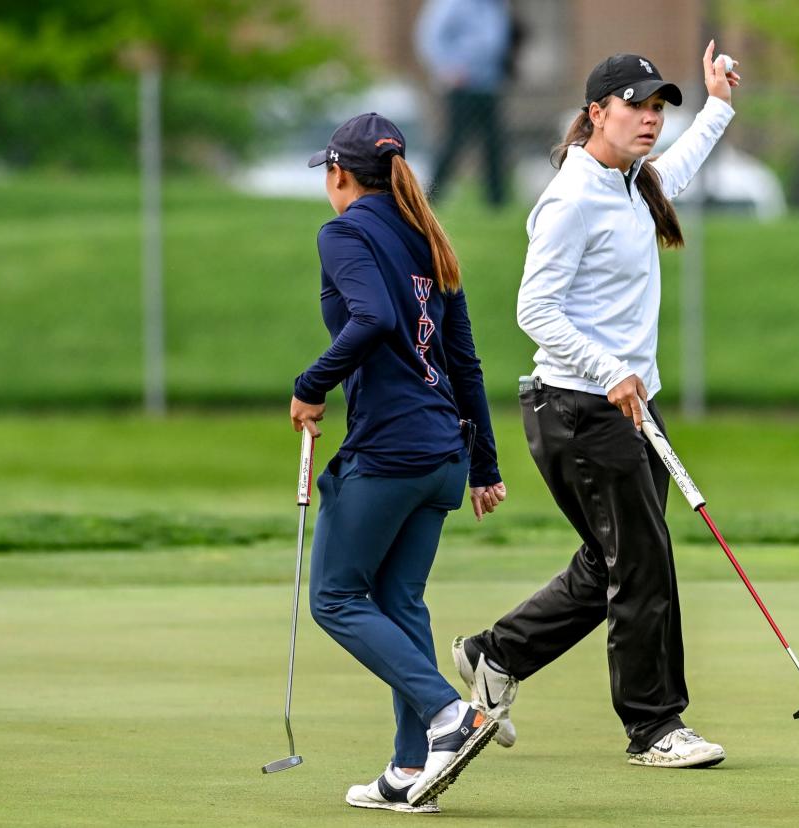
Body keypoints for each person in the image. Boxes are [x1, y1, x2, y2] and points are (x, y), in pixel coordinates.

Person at [451, 43, 741, 769]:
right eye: (636, 107)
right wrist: (611, 369)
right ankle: (654, 728)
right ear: (596, 114)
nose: (649, 120)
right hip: (579, 409)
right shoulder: (572, 196)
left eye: (657, 109)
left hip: (624, 406)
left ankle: (497, 653)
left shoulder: (632, 181)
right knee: (642, 564)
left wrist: (719, 109)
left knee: (610, 560)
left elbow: (675, 170)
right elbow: (534, 309)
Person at [289, 111, 508, 812]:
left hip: (390, 451)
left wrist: (309, 384)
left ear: (339, 175)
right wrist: (482, 465)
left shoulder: (344, 231)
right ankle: (410, 772)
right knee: (399, 599)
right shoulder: (431, 236)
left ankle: (453, 714)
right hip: (443, 453)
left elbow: (376, 317)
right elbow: (464, 361)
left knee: (334, 597)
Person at [414, 0, 514, 206]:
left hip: (489, 83)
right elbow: (430, 37)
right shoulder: (453, 4)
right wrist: (447, 69)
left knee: (494, 143)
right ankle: (430, 196)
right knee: (454, 142)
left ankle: (497, 201)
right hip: (462, 84)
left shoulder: (495, 5)